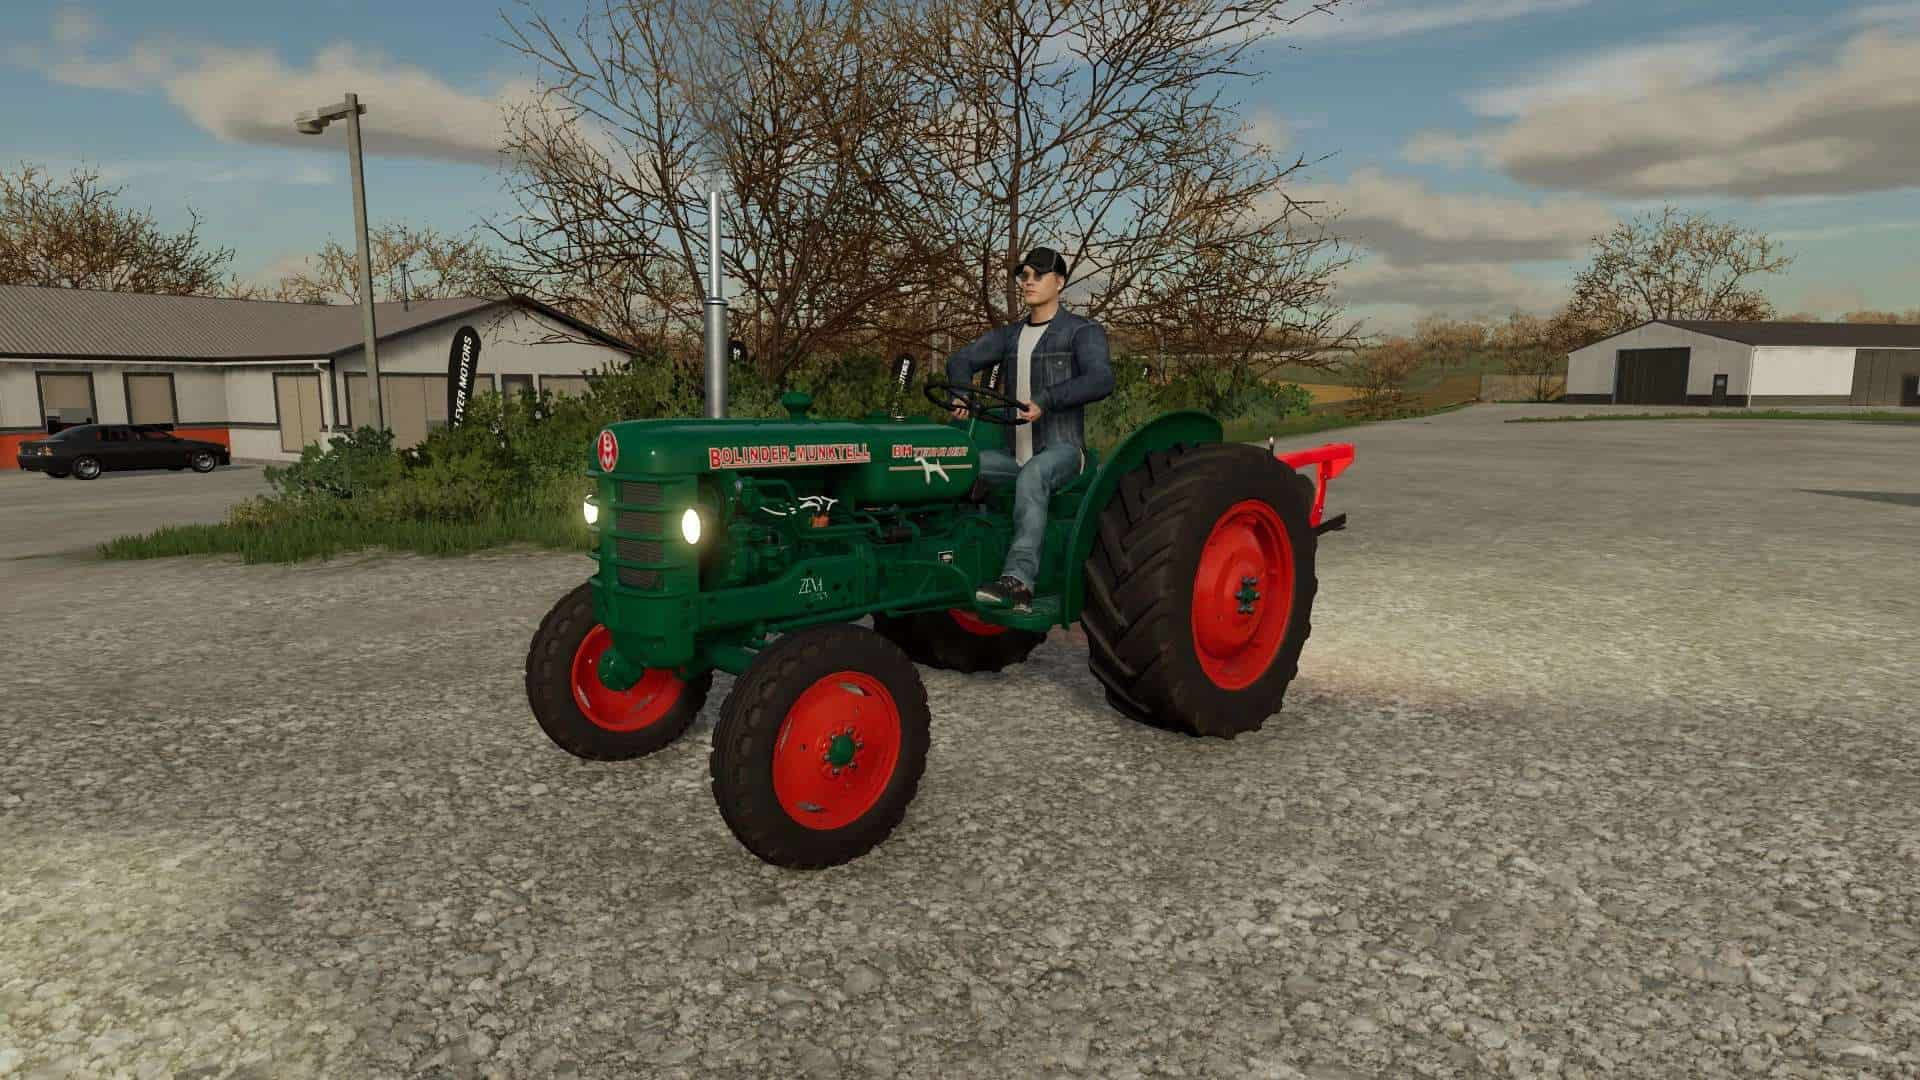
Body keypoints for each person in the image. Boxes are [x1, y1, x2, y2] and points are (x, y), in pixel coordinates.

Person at [943, 246, 1115, 613]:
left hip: (1063, 451)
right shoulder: (1010, 336)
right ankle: (954, 565)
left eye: (1038, 275)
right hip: (1013, 455)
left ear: (1060, 282)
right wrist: (960, 393)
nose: (1029, 282)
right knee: (958, 466)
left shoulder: (1081, 331)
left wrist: (1048, 399)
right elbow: (961, 359)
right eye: (1024, 276)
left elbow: (1101, 379)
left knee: (1034, 474)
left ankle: (1019, 581)